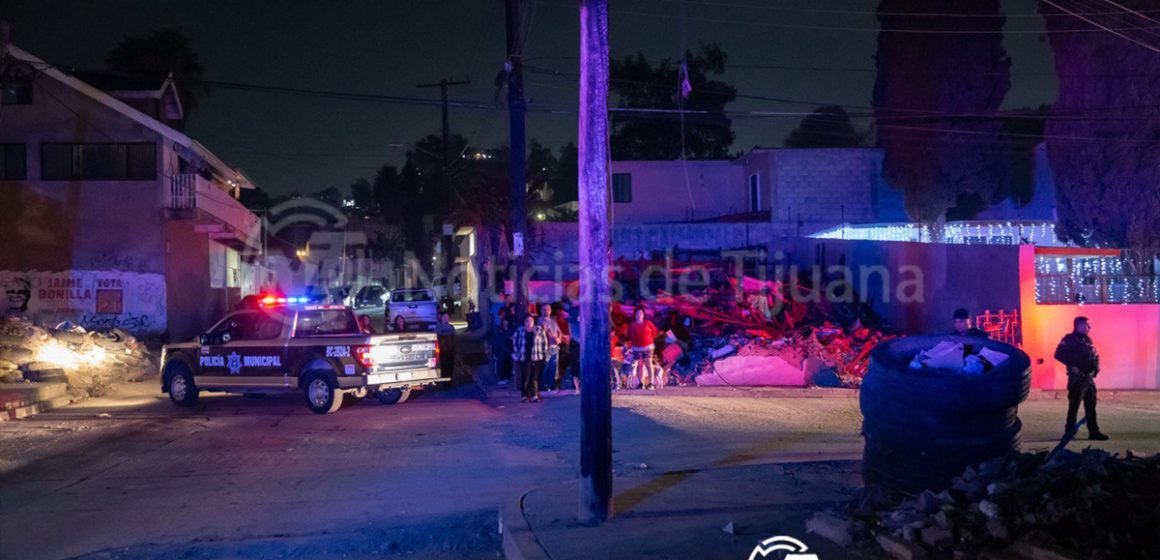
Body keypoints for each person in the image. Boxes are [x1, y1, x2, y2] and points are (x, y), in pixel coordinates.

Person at [1054, 317, 1109, 440]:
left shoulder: (1087, 340)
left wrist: (1095, 368)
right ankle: (1069, 433)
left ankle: (1094, 432)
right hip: (1078, 379)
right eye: (1086, 326)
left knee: (1091, 407)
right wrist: (1072, 365)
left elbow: (1091, 356)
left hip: (1089, 379)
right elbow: (1058, 355)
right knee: (1074, 406)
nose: (1088, 328)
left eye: (1088, 326)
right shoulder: (1069, 339)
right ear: (1078, 326)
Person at [511, 315, 547, 402]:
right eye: (527, 320)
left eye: (531, 320)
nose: (529, 322)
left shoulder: (539, 329)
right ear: (524, 322)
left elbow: (544, 341)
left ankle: (534, 395)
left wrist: (543, 352)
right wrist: (517, 352)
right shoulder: (520, 330)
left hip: (536, 356)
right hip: (524, 357)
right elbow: (515, 341)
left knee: (534, 377)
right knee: (525, 377)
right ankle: (524, 395)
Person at [626, 307, 659, 390]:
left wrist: (648, 340)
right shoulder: (632, 325)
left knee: (648, 364)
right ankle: (640, 383)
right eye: (637, 313)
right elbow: (629, 335)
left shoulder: (648, 323)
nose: (639, 315)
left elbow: (655, 333)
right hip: (636, 348)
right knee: (639, 365)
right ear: (635, 315)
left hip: (648, 347)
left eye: (641, 313)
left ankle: (651, 383)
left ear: (643, 315)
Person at [537, 303, 562, 392]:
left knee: (553, 367)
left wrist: (559, 339)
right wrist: (555, 338)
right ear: (541, 311)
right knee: (545, 367)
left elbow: (559, 332)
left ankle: (551, 385)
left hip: (555, 347)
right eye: (544, 309)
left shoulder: (553, 321)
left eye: (548, 309)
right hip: (546, 348)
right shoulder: (540, 321)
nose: (546, 311)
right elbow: (545, 331)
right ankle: (543, 385)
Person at [553, 306, 574, 392]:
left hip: (565, 344)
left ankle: (559, 382)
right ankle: (558, 382)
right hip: (563, 344)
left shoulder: (561, 319)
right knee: (561, 365)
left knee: (561, 365)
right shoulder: (560, 320)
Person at [435, 312, 457, 383]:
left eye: (447, 317)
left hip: (450, 350)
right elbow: (435, 339)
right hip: (442, 351)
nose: (446, 318)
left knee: (450, 366)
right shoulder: (438, 327)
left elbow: (454, 339)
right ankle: (444, 382)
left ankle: (450, 382)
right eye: (444, 317)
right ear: (441, 318)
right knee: (443, 367)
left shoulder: (451, 327)